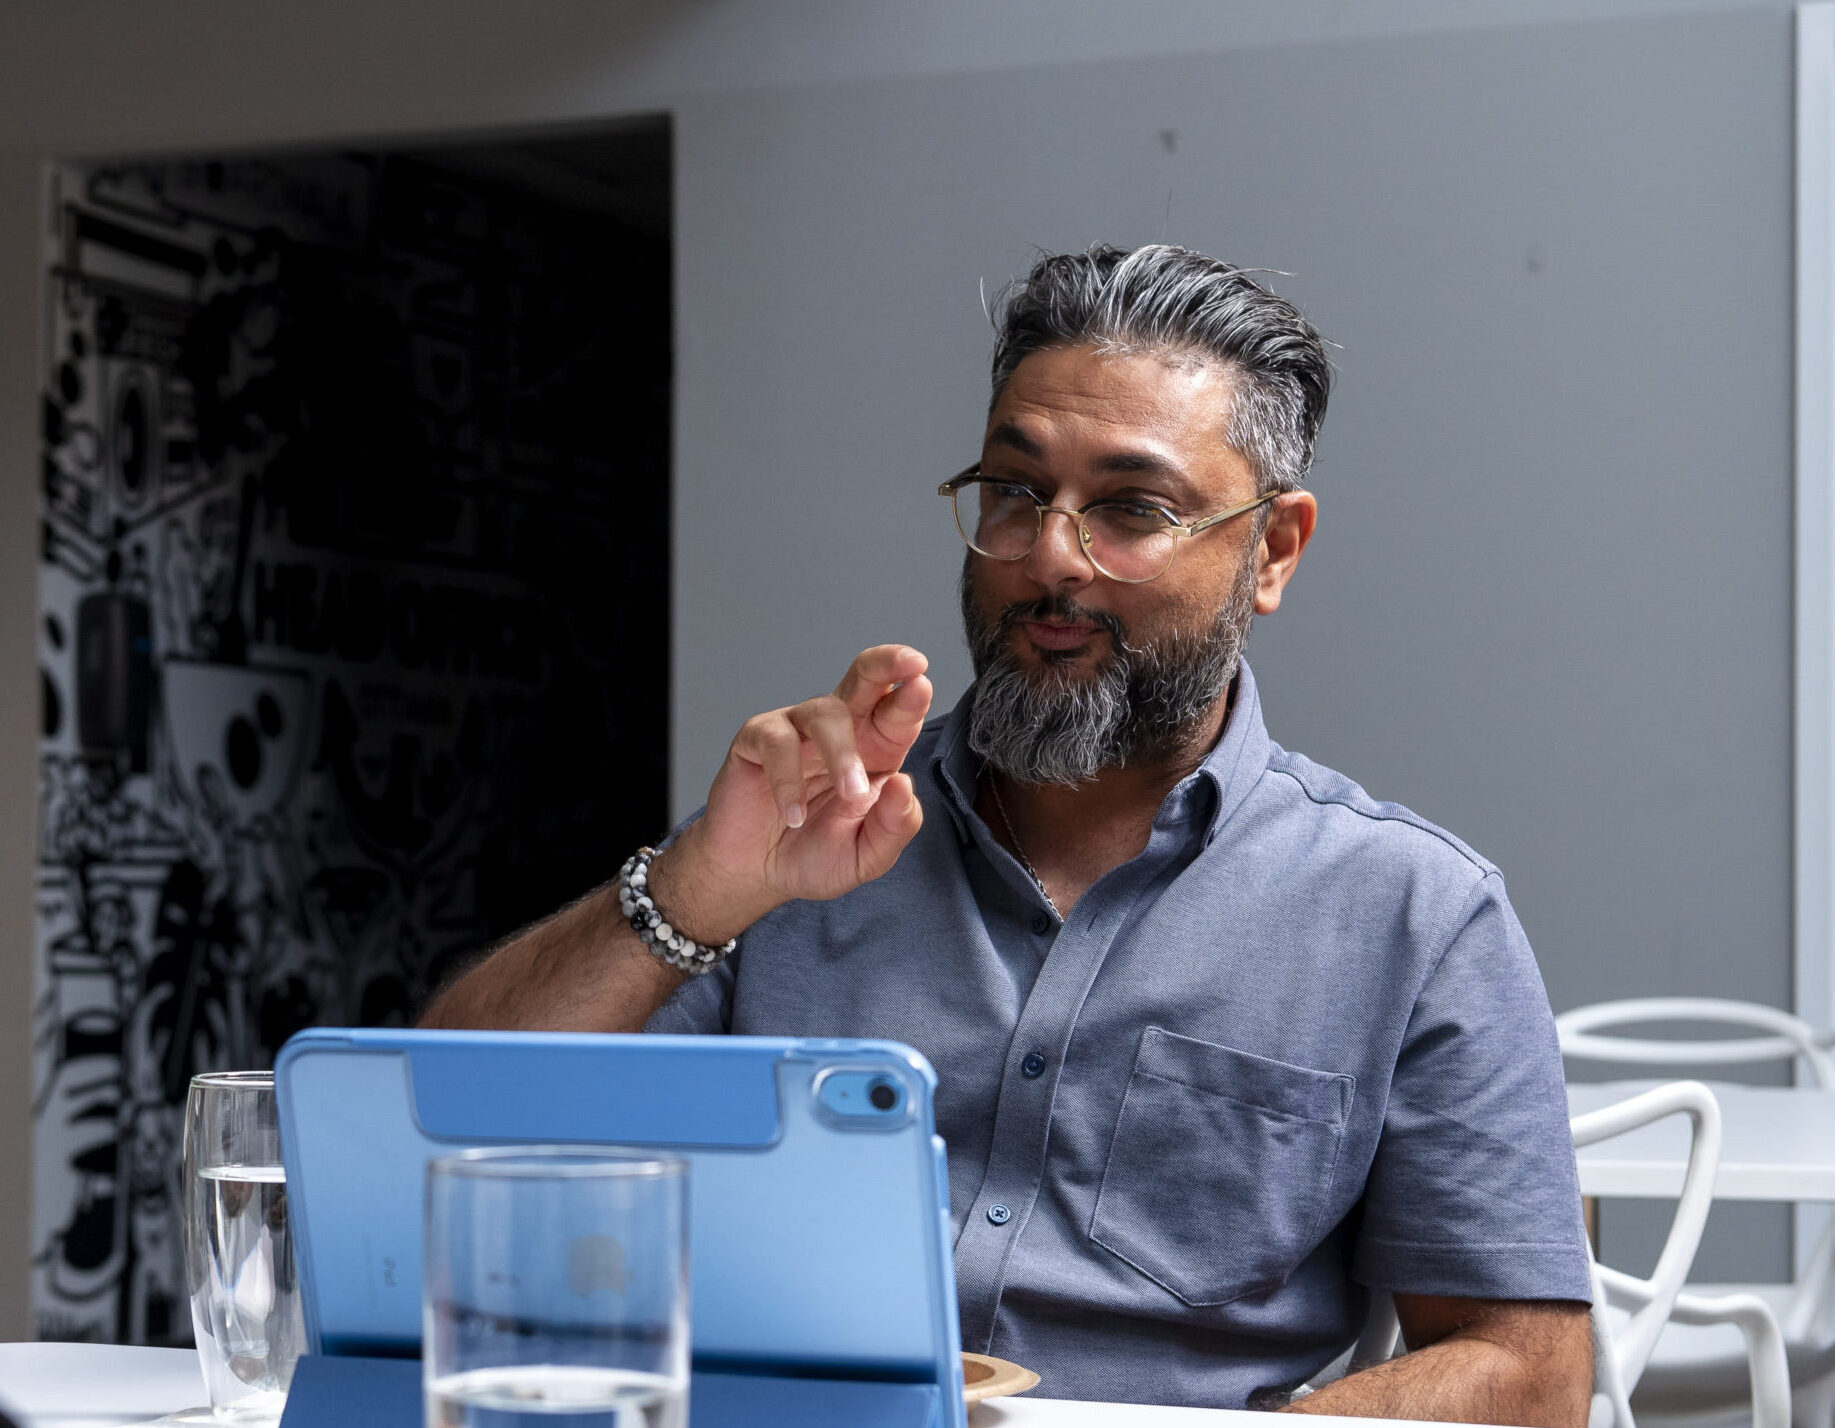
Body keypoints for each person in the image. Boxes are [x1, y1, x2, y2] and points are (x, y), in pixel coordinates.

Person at [423, 244, 1595, 1424]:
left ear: (1270, 550)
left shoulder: (1412, 911)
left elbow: (1526, 1371)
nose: (1047, 556)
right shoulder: (802, 843)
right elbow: (439, 1124)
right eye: (1014, 491)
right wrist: (693, 891)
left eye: (1131, 508)